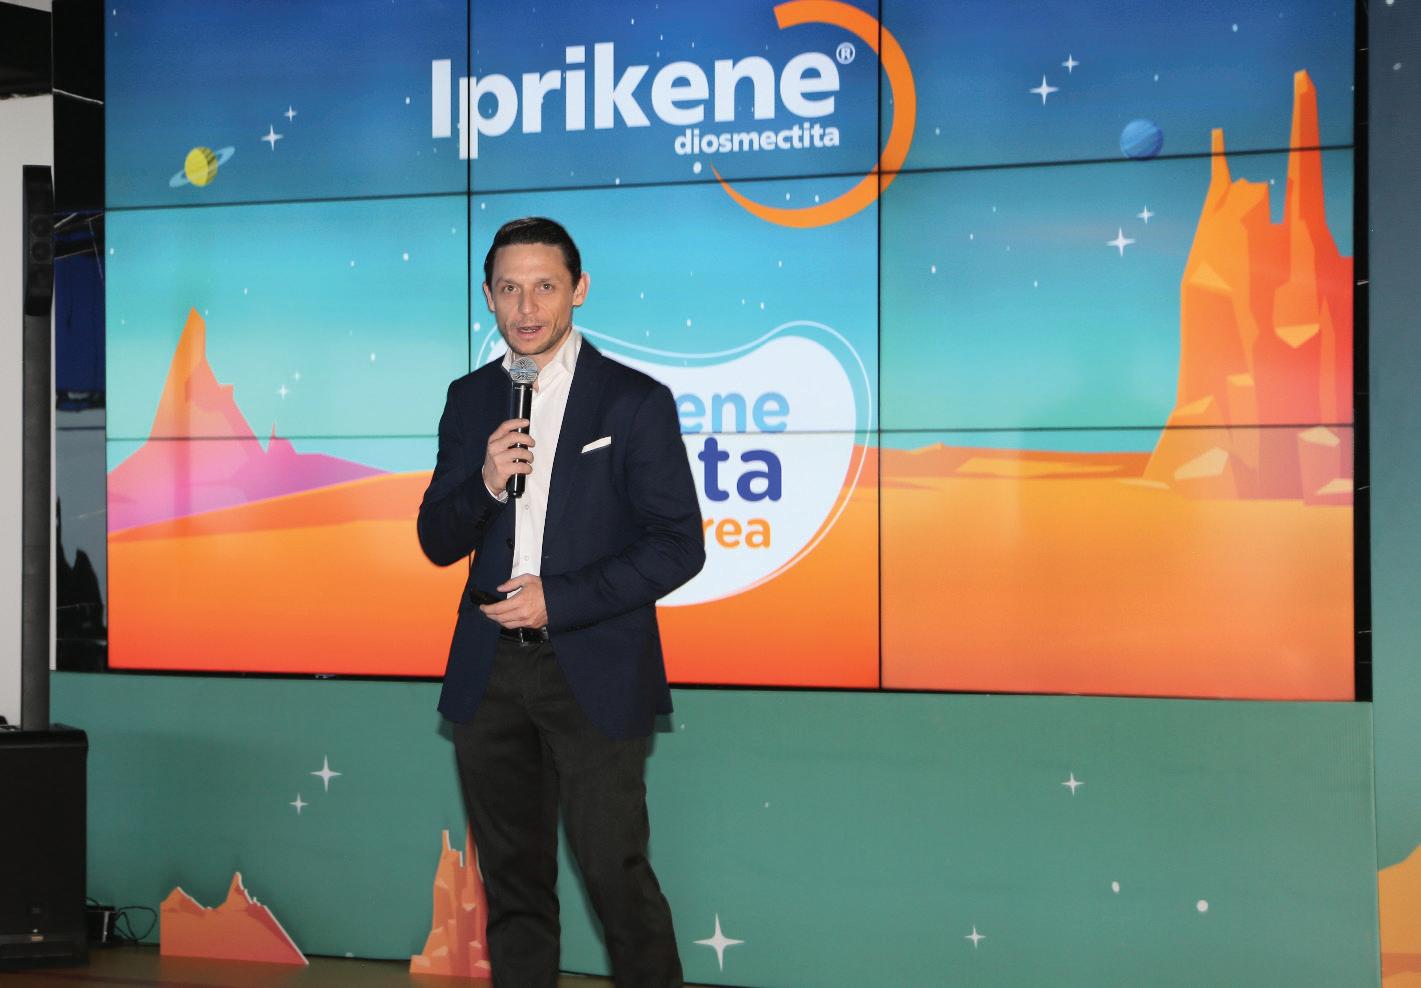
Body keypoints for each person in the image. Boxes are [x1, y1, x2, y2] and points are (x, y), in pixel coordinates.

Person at [417, 216, 704, 987]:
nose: (526, 306)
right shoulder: (471, 399)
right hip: (489, 673)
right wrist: (483, 483)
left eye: (544, 286)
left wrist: (559, 600)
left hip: (594, 668)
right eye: (509, 288)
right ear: (487, 296)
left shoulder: (632, 400)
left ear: (578, 289)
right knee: (512, 889)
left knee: (616, 878)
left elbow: (679, 545)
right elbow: (436, 538)